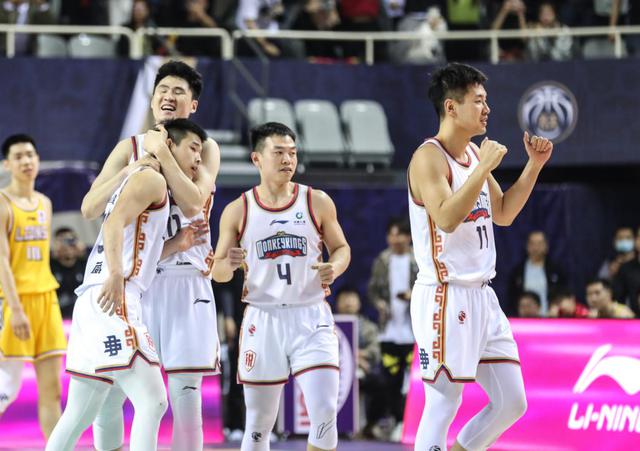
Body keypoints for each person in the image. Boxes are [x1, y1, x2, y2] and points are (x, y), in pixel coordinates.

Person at [407, 62, 553, 451]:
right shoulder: (428, 158)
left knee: (511, 402)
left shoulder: (472, 153)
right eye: (478, 101)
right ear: (451, 107)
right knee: (443, 402)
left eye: (486, 101)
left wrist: (533, 167)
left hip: (483, 296)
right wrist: (484, 167)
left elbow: (502, 213)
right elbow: (446, 217)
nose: (487, 109)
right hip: (445, 294)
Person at [81, 60, 221, 451]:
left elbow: (193, 203)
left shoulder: (204, 147)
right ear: (152, 97)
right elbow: (90, 207)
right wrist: (130, 170)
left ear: (193, 105)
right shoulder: (128, 148)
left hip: (186, 283)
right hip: (135, 284)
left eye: (179, 91)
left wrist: (162, 151)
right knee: (111, 394)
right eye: (163, 90)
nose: (168, 97)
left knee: (185, 396)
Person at [45, 118, 206, 450]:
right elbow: (112, 223)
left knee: (78, 414)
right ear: (169, 146)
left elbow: (130, 238)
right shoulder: (152, 179)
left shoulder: (145, 178)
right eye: (193, 148)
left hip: (95, 297)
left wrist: (176, 244)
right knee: (153, 400)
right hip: (114, 295)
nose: (198, 158)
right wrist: (117, 273)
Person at [212, 122, 350, 451]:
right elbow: (218, 272)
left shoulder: (317, 201)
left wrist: (334, 267)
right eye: (279, 153)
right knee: (259, 425)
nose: (288, 159)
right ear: (257, 158)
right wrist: (228, 263)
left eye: (292, 153)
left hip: (311, 316)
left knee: (325, 413)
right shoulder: (238, 210)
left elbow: (342, 249)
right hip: (263, 318)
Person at [0, 134, 66, 439]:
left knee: (53, 392)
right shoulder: (3, 203)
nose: (26, 161)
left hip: (46, 299)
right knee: (5, 389)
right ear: (7, 164)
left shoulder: (45, 203)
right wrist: (15, 309)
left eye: (30, 155)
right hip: (13, 302)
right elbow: (2, 260)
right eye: (18, 156)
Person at [367, 216, 417, 439]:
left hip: (413, 331)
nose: (395, 239)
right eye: (392, 234)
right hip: (388, 330)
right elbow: (372, 290)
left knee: (413, 381)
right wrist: (379, 304)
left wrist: (413, 295)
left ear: (409, 237)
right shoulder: (382, 260)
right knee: (390, 380)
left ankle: (411, 422)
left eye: (400, 234)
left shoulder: (418, 259)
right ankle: (396, 421)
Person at [507, 230, 566, 317]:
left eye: (539, 243)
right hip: (524, 319)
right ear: (527, 246)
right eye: (532, 243)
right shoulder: (517, 272)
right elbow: (511, 298)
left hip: (550, 317)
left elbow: (563, 294)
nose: (536, 247)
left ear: (546, 246)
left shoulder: (556, 271)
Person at [50, 227, 88, 319]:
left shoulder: (86, 263)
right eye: (62, 241)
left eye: (71, 241)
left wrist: (84, 251)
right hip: (58, 317)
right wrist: (52, 254)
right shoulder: (49, 265)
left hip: (84, 316)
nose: (67, 246)